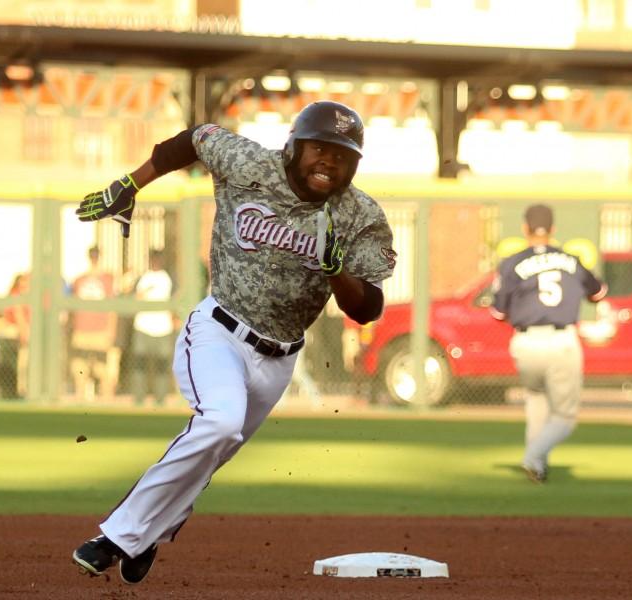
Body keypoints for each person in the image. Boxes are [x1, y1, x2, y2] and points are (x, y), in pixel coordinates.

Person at [70, 100, 396, 585]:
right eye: (319, 149)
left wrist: (337, 271)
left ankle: (156, 529)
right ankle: (118, 537)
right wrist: (130, 183)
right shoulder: (249, 164)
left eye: (342, 155)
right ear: (293, 146)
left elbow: (368, 307)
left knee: (215, 450)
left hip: (281, 357)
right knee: (220, 424)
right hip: (219, 329)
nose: (329, 161)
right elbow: (190, 139)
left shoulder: (359, 215)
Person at [490, 204, 607, 484]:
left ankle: (538, 467)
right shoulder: (571, 260)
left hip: (526, 342)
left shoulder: (511, 263)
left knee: (536, 399)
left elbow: (498, 312)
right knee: (565, 417)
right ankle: (533, 457)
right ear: (553, 230)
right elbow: (599, 292)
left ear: (524, 229)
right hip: (560, 340)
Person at [69, 246, 118, 402]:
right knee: (80, 369)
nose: (94, 259)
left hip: (101, 331)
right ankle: (80, 401)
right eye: (92, 256)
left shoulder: (108, 279)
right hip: (82, 330)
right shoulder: (79, 280)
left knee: (104, 371)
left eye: (96, 256)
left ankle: (106, 402)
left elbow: (113, 308)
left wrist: (111, 329)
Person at [130, 249, 174, 406]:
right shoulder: (143, 278)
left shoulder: (168, 278)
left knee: (162, 365)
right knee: (139, 365)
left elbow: (176, 299)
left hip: (163, 328)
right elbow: (133, 298)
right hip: (143, 326)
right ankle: (138, 398)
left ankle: (160, 399)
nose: (156, 262)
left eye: (158, 258)